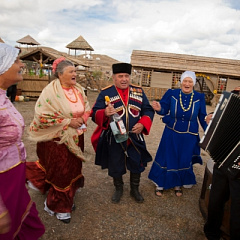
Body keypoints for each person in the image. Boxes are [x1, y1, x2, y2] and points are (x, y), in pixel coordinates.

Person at [26, 57, 91, 224]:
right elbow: (42, 114)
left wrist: (82, 118)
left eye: (75, 71)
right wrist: (68, 121)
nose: (75, 74)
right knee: (61, 171)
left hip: (76, 136)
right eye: (72, 71)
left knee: (73, 167)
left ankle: (67, 197)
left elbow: (87, 106)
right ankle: (57, 206)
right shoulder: (50, 91)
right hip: (57, 139)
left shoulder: (79, 89)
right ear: (60, 74)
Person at [91, 63, 154, 203]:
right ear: (114, 77)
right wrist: (104, 113)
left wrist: (143, 123)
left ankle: (134, 189)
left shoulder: (139, 91)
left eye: (126, 76)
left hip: (135, 135)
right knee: (115, 162)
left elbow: (148, 110)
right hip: (114, 137)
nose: (124, 79)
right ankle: (118, 188)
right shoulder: (105, 93)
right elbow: (94, 112)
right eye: (120, 76)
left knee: (136, 162)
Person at [0, 43, 45, 239]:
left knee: (25, 219)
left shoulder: (3, 97)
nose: (21, 65)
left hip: (14, 175)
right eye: (16, 60)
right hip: (3, 180)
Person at [148, 71, 211, 197]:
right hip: (171, 132)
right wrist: (159, 108)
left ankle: (178, 184)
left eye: (190, 81)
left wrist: (208, 128)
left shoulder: (199, 97)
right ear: (181, 82)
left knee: (183, 158)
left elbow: (202, 116)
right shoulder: (172, 94)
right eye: (185, 81)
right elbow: (164, 108)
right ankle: (160, 183)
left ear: (193, 83)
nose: (187, 83)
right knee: (167, 156)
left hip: (189, 135)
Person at [204, 86, 240, 240]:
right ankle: (211, 234)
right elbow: (220, 114)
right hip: (222, 159)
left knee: (238, 210)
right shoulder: (234, 95)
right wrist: (211, 116)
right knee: (215, 200)